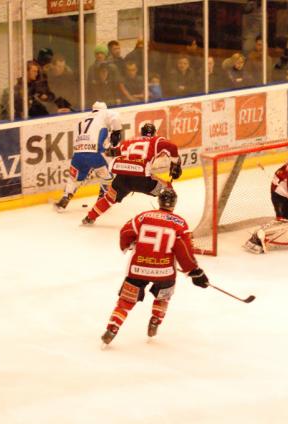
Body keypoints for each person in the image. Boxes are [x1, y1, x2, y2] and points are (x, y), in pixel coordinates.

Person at [101, 187, 209, 345]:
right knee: (163, 297)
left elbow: (125, 232)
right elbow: (183, 250)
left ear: (159, 201)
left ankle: (112, 328)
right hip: (164, 271)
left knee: (126, 301)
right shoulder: (180, 223)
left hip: (138, 267)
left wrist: (128, 245)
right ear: (174, 203)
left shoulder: (143, 217)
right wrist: (194, 271)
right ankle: (155, 322)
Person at [82, 123, 182, 225]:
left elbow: (111, 152)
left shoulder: (129, 141)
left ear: (141, 132)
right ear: (154, 133)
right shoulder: (156, 140)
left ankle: (90, 217)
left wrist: (108, 145)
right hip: (142, 180)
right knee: (168, 190)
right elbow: (172, 147)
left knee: (109, 198)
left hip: (122, 177)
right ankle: (168, 220)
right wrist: (176, 164)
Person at [54, 101, 121, 211]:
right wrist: (116, 132)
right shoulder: (104, 113)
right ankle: (101, 200)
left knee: (73, 179)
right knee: (108, 177)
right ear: (104, 109)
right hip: (95, 153)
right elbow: (116, 116)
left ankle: (65, 199)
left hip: (78, 153)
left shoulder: (83, 119)